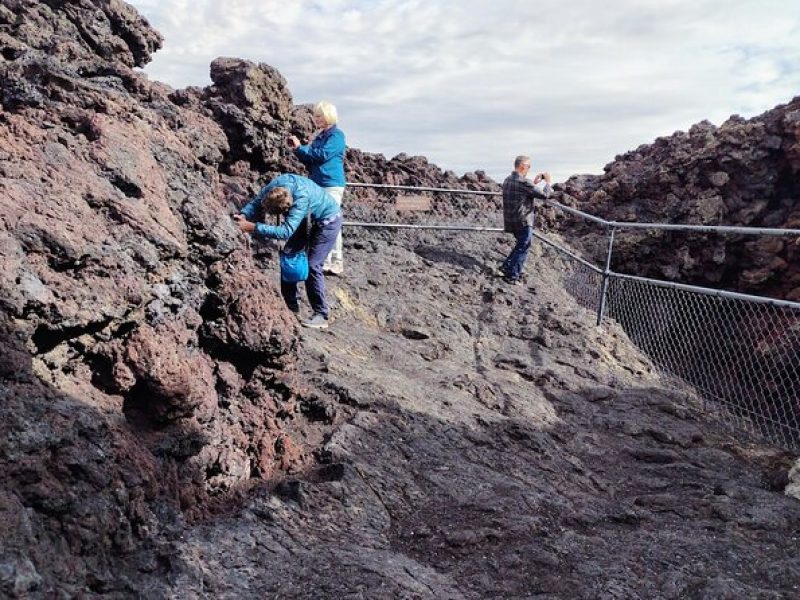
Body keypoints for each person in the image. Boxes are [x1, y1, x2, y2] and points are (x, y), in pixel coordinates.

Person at [234, 173, 342, 329]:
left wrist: (253, 227)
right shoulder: (274, 187)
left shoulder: (300, 198)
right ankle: (291, 306)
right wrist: (243, 215)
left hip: (328, 221)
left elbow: (285, 231)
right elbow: (257, 202)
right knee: (289, 255)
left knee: (313, 265)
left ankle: (321, 314)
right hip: (307, 217)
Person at [288, 101, 346, 275]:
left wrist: (301, 147)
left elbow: (321, 155)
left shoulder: (336, 136)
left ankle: (336, 261)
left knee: (330, 222)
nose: (315, 119)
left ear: (328, 116)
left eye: (319, 116)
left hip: (331, 184)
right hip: (318, 184)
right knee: (322, 222)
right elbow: (310, 159)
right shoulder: (320, 137)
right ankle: (325, 260)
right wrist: (298, 150)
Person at [499, 155, 553, 284]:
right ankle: (512, 276)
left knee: (520, 245)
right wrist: (548, 182)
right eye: (529, 166)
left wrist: (534, 183)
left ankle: (505, 267)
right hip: (523, 221)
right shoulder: (524, 183)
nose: (529, 169)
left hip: (511, 221)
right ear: (523, 166)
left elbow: (522, 191)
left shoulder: (507, 180)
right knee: (524, 246)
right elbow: (545, 195)